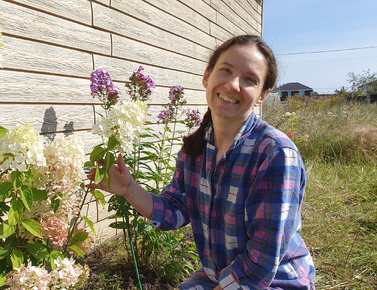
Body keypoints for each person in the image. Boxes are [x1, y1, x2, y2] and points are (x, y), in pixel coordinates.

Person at [88, 34, 315, 289]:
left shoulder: (275, 155)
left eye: (249, 79)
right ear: (207, 76)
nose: (232, 85)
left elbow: (261, 261)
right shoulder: (195, 150)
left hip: (275, 281)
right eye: (225, 70)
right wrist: (129, 189)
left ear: (263, 94)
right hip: (219, 277)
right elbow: (175, 210)